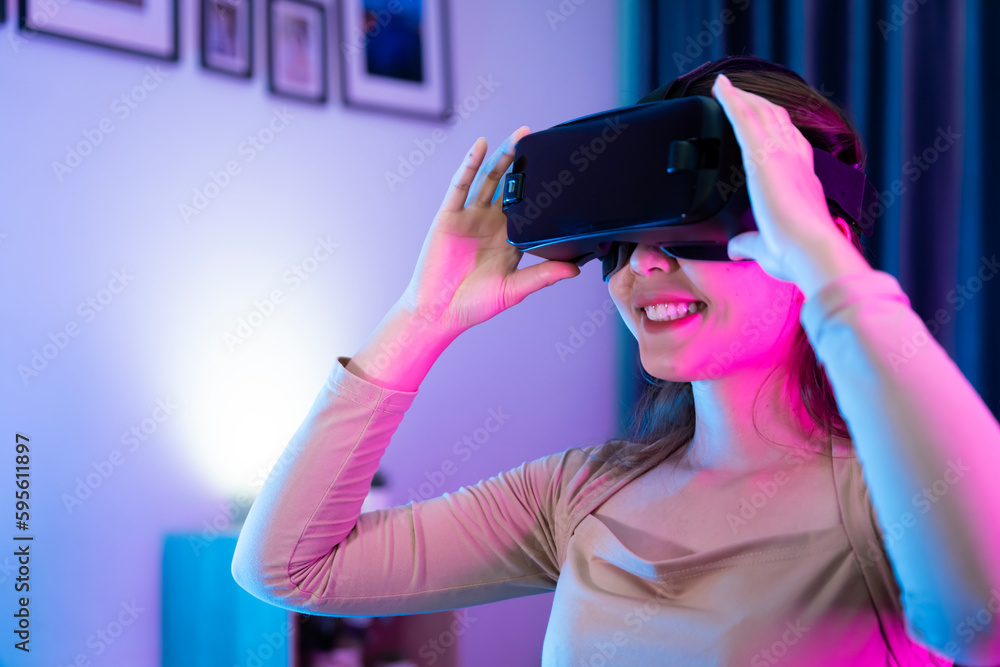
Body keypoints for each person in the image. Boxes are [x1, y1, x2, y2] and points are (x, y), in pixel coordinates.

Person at [231, 55, 1000, 666]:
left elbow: (985, 621)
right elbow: (288, 568)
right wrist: (421, 317)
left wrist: (832, 271)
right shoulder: (580, 492)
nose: (641, 268)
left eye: (690, 229)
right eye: (621, 242)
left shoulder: (889, 500)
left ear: (804, 234)